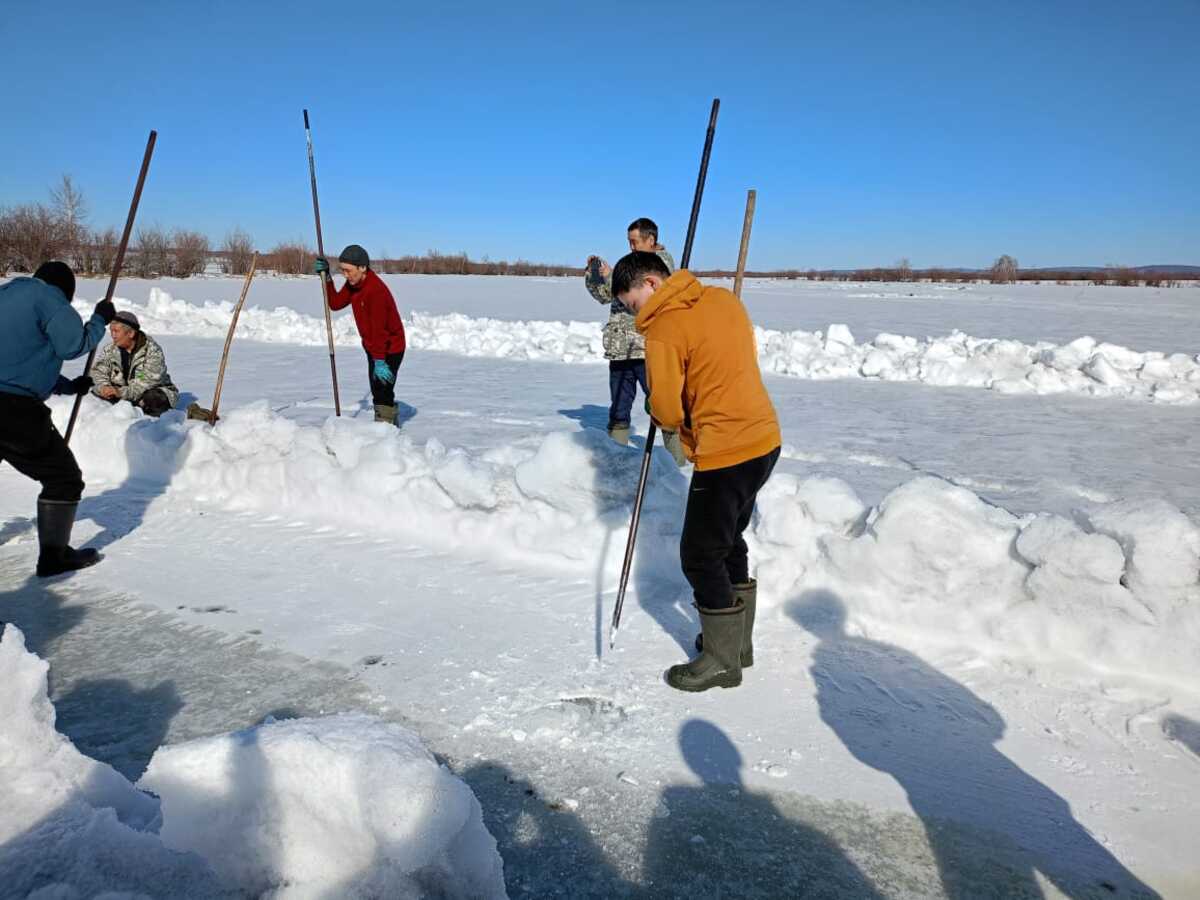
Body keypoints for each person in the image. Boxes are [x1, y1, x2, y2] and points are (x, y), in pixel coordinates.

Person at [612, 251, 781, 693]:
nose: (635, 316)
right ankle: (737, 644)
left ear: (651, 284)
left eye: (633, 305)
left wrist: (655, 406)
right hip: (764, 439)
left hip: (726, 449)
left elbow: (666, 407)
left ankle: (723, 661)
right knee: (728, 540)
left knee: (700, 554)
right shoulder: (724, 301)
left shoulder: (664, 330)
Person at [0, 261, 113, 576]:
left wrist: (66, 385)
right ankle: (54, 558)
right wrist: (99, 321)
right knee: (63, 478)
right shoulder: (49, 297)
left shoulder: (8, 293)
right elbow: (72, 344)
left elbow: (20, 356)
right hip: (13, 412)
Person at [584, 218, 686, 465]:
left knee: (664, 407)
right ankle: (615, 459)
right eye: (628, 242)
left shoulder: (662, 264)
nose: (631, 247)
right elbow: (606, 296)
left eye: (635, 242)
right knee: (619, 409)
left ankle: (678, 463)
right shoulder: (627, 265)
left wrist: (613, 276)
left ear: (650, 240)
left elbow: (643, 296)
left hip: (647, 350)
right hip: (621, 350)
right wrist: (594, 277)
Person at [314, 244, 406, 425]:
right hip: (374, 347)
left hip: (390, 347)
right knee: (378, 387)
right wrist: (327, 279)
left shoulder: (375, 291)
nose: (345, 275)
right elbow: (335, 303)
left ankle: (385, 428)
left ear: (362, 267)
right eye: (342, 271)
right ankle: (388, 425)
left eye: (348, 271)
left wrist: (379, 360)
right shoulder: (354, 285)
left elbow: (380, 331)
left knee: (382, 389)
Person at [90, 311, 180, 417]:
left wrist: (119, 392)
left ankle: (149, 425)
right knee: (95, 394)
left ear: (131, 333)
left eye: (116, 331)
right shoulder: (110, 350)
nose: (113, 335)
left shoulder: (152, 351)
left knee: (153, 399)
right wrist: (104, 387)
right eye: (111, 331)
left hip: (148, 392)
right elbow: (98, 372)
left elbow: (144, 386)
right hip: (124, 392)